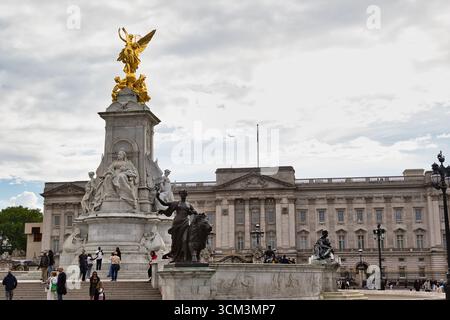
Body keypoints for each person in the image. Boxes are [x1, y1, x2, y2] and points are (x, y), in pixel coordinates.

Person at [156, 189, 198, 262]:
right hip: (177, 223)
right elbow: (164, 204)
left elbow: (195, 213)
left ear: (186, 195)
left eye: (184, 194)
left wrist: (194, 212)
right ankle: (176, 255)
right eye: (182, 194)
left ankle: (184, 256)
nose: (183, 195)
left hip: (185, 223)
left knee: (185, 239)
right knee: (176, 240)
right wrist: (158, 197)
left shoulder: (188, 204)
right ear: (180, 195)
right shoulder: (176, 203)